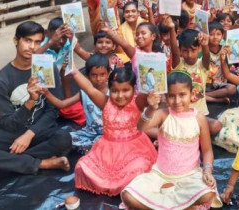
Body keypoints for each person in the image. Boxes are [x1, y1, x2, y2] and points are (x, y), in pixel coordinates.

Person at [0, 21, 72, 177]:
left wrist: (29, 134)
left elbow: (52, 111)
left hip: (40, 130)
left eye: (37, 42)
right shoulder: (1, 81)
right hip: (13, 132)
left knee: (64, 139)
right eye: (27, 41)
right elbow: (9, 124)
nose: (32, 47)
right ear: (16, 41)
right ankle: (42, 163)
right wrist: (30, 101)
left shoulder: (47, 68)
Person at [121, 72, 221, 209]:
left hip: (190, 176)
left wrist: (207, 171)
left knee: (208, 193)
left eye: (182, 95)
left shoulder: (199, 119)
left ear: (192, 94)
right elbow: (141, 127)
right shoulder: (163, 114)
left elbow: (207, 150)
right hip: (159, 176)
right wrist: (151, 108)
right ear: (166, 96)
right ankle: (182, 207)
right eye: (172, 96)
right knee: (128, 195)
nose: (177, 101)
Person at [73, 66, 157, 196]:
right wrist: (73, 69)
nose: (120, 95)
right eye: (115, 91)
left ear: (134, 89)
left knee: (140, 168)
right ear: (109, 90)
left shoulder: (138, 101)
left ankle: (126, 187)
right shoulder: (105, 102)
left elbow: (150, 89)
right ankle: (122, 186)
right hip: (106, 154)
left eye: (125, 90)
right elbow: (89, 89)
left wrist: (152, 99)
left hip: (134, 151)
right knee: (82, 166)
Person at [42, 53, 110, 153]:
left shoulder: (113, 92)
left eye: (102, 74)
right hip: (89, 133)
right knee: (63, 138)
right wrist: (46, 93)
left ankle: (90, 150)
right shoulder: (84, 93)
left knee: (101, 145)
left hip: (108, 134)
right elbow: (62, 104)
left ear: (108, 74)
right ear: (87, 76)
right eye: (94, 75)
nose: (98, 79)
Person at [169, 29, 222, 136]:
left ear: (199, 49)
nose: (189, 55)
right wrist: (171, 28)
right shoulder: (178, 64)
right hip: (180, 114)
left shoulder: (202, 65)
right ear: (180, 50)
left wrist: (205, 45)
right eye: (185, 51)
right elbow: (174, 52)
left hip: (199, 114)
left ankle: (188, 135)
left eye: (193, 50)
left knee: (216, 125)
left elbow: (206, 57)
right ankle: (191, 135)